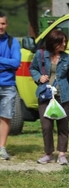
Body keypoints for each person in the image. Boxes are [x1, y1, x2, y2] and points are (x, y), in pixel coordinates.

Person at [29, 30, 69, 165]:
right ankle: (48, 153)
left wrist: (65, 90)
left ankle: (62, 154)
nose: (64, 44)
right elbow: (33, 69)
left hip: (62, 96)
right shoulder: (41, 54)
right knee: (46, 126)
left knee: (63, 125)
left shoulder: (68, 58)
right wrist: (39, 77)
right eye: (62, 42)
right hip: (45, 95)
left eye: (65, 41)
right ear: (53, 43)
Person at [0, 11, 21, 160]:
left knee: (5, 117)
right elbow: (11, 63)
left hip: (8, 85)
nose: (0, 26)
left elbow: (16, 63)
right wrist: (6, 63)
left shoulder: (12, 42)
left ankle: (1, 148)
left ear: (7, 25)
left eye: (3, 23)